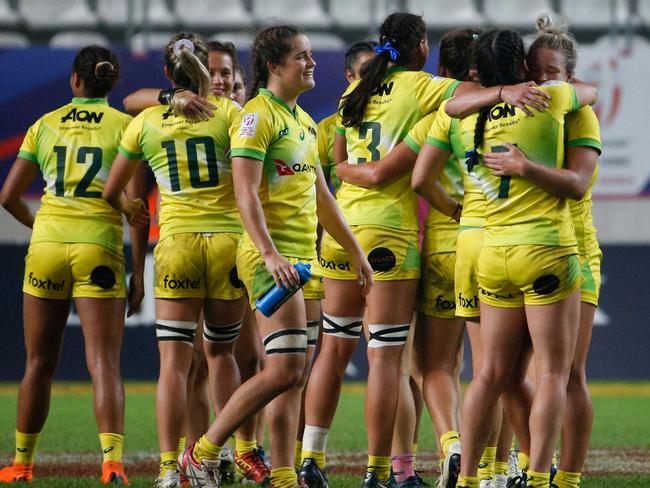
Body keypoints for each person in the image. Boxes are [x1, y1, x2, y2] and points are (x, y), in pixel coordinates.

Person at [176, 24, 373, 488]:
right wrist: (267, 254)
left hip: (304, 260)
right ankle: (201, 453)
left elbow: (323, 196)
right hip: (271, 259)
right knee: (284, 369)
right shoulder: (255, 117)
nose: (312, 64)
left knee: (293, 375)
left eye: (310, 55)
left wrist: (356, 253)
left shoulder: (302, 120)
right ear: (274, 66)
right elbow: (243, 191)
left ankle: (284, 475)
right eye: (302, 56)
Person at [411, 28, 596, 488]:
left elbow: (431, 152)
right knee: (555, 372)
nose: (540, 77)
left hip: (488, 252)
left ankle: (472, 476)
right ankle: (542, 477)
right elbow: (578, 175)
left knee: (488, 372)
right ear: (521, 70)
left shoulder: (458, 115)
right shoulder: (553, 102)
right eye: (534, 70)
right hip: (548, 248)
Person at [309, 12, 472, 488]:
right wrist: (507, 92)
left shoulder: (350, 94)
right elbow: (466, 94)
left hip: (341, 232)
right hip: (388, 236)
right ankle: (380, 473)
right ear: (420, 45)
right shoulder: (421, 86)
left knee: (331, 352)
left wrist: (351, 172)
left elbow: (337, 165)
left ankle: (308, 458)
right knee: (386, 358)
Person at [102, 33, 248, 488]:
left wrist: (132, 210)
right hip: (227, 243)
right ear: (209, 70)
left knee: (174, 364)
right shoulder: (231, 114)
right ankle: (218, 455)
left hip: (177, 245)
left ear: (168, 74)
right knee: (221, 353)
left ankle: (169, 470)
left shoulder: (146, 121)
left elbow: (113, 192)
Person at [0, 46, 147, 484]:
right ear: (111, 84)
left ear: (74, 80)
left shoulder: (43, 126)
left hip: (47, 244)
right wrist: (138, 273)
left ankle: (23, 465)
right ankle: (112, 465)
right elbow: (135, 207)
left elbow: (7, 197)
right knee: (103, 361)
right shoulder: (127, 127)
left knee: (37, 363)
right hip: (99, 248)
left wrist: (40, 224)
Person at [481, 17, 602, 488]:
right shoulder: (524, 109)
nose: (539, 80)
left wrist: (524, 167)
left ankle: (566, 477)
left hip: (574, 251)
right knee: (511, 372)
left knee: (569, 373)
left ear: (569, 78)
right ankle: (534, 462)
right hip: (529, 249)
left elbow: (575, 184)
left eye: (551, 72)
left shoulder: (578, 112)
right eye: (534, 70)